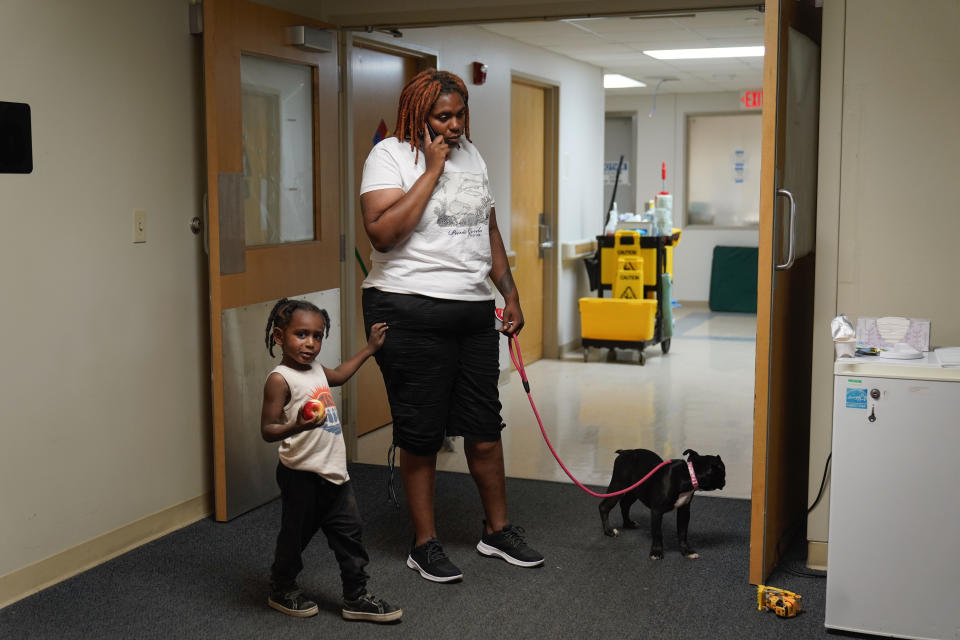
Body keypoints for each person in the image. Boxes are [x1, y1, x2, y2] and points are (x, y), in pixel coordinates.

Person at [359, 68, 544, 583]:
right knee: (421, 433)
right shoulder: (389, 156)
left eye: (460, 113)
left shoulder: (473, 155)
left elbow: (485, 227)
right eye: (443, 116)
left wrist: (509, 292)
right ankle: (425, 543)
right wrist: (431, 170)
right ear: (418, 115)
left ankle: (497, 530)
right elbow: (383, 235)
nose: (455, 124)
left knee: (485, 426)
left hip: (470, 310)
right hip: (406, 309)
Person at [260, 297, 401, 622]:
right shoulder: (280, 379)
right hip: (302, 475)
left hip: (334, 473)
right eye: (301, 334)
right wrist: (296, 424)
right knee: (294, 536)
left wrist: (369, 349)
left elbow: (337, 375)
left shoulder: (315, 370)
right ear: (280, 337)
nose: (310, 343)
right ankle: (281, 587)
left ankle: (356, 597)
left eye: (318, 335)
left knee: (351, 535)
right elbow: (267, 430)